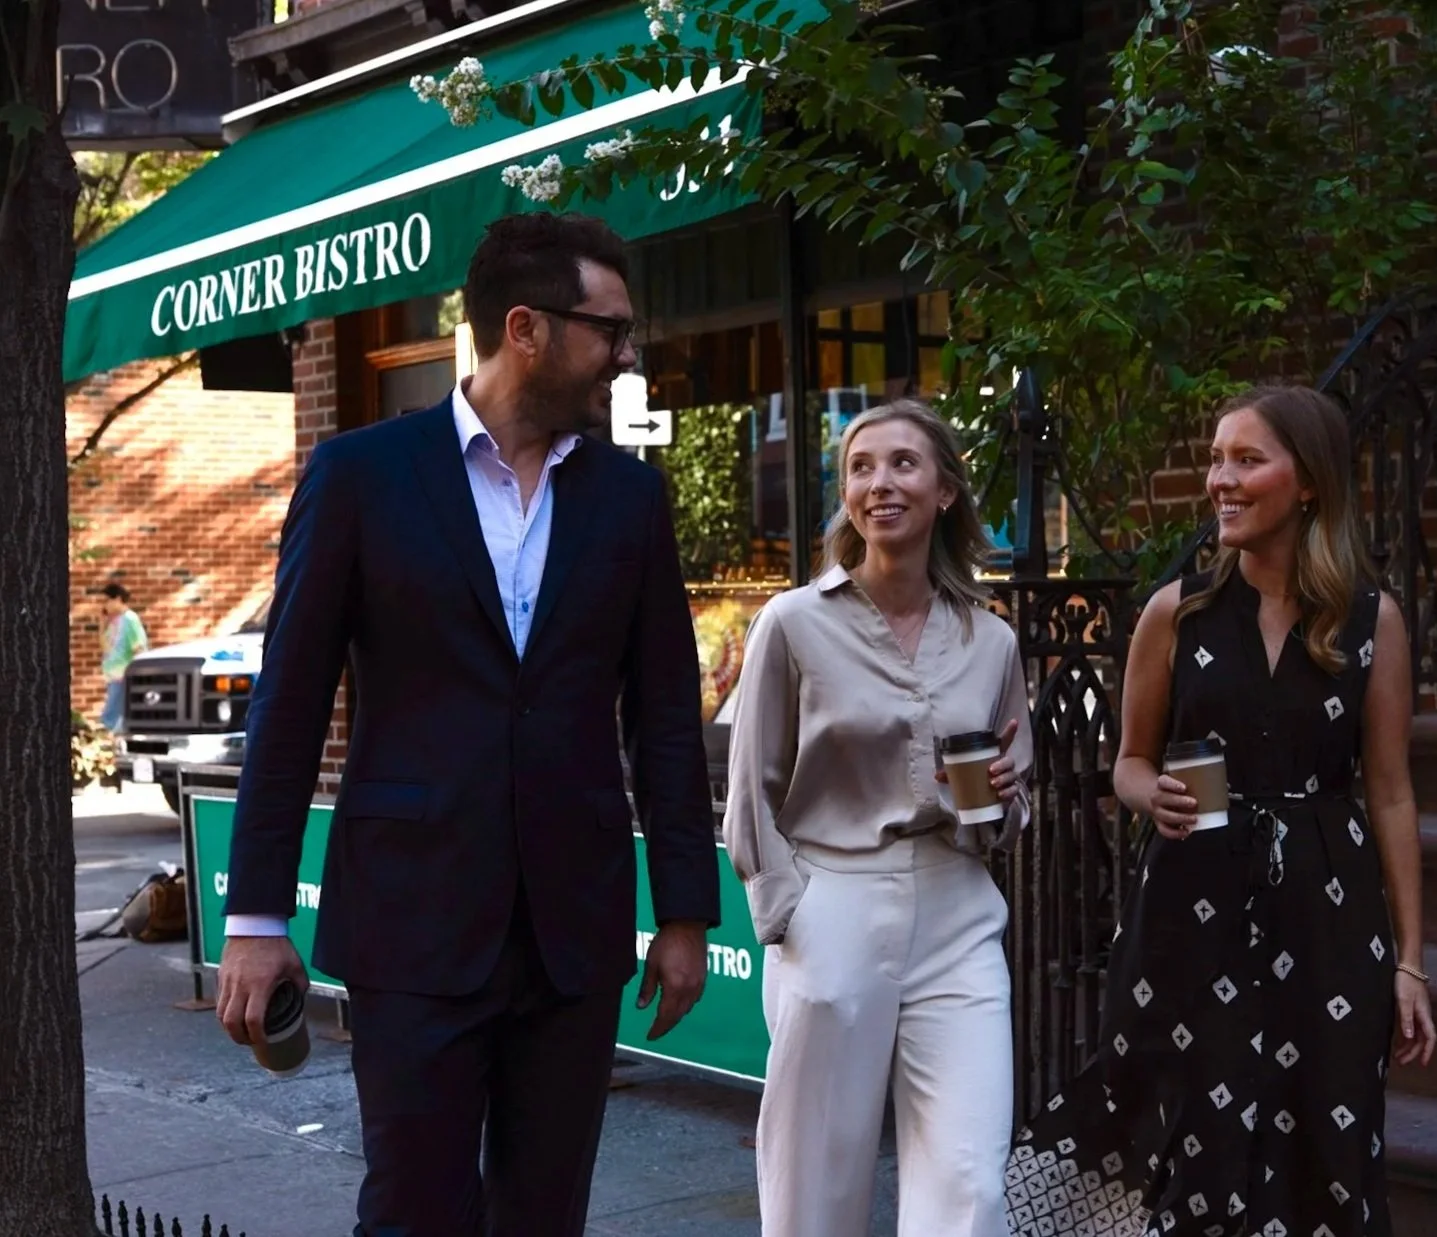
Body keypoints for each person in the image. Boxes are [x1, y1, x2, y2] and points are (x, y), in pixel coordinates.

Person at [215, 212, 720, 1237]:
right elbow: (291, 702)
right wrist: (255, 918)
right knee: (414, 1212)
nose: (627, 356)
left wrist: (683, 912)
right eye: (609, 329)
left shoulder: (630, 499)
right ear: (525, 328)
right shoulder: (360, 474)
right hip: (413, 920)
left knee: (545, 1217)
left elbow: (664, 714)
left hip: (573, 931)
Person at [1006, 386, 1437, 1237]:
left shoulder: (1370, 621)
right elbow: (1129, 761)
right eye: (1215, 458)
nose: (1221, 480)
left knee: (1326, 1135)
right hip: (1190, 903)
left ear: (1308, 482)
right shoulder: (1179, 611)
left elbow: (1388, 790)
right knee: (1184, 1127)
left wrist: (1412, 961)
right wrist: (1148, 791)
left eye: (1247, 459)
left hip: (1328, 911)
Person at [724, 398, 1033, 1237]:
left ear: (945, 492)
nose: (879, 483)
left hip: (959, 908)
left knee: (971, 1181)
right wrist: (791, 914)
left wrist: (1005, 798)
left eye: (903, 463)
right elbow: (751, 789)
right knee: (814, 1181)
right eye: (861, 467)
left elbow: (1012, 798)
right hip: (835, 900)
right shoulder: (792, 624)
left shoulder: (990, 640)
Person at [98, 582, 148, 734]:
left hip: (123, 677)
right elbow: (105, 648)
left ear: (118, 599)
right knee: (117, 718)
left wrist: (136, 677)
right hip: (113, 678)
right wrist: (102, 624)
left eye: (107, 600)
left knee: (109, 717)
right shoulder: (114, 621)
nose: (104, 605)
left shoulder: (130, 619)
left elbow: (139, 648)